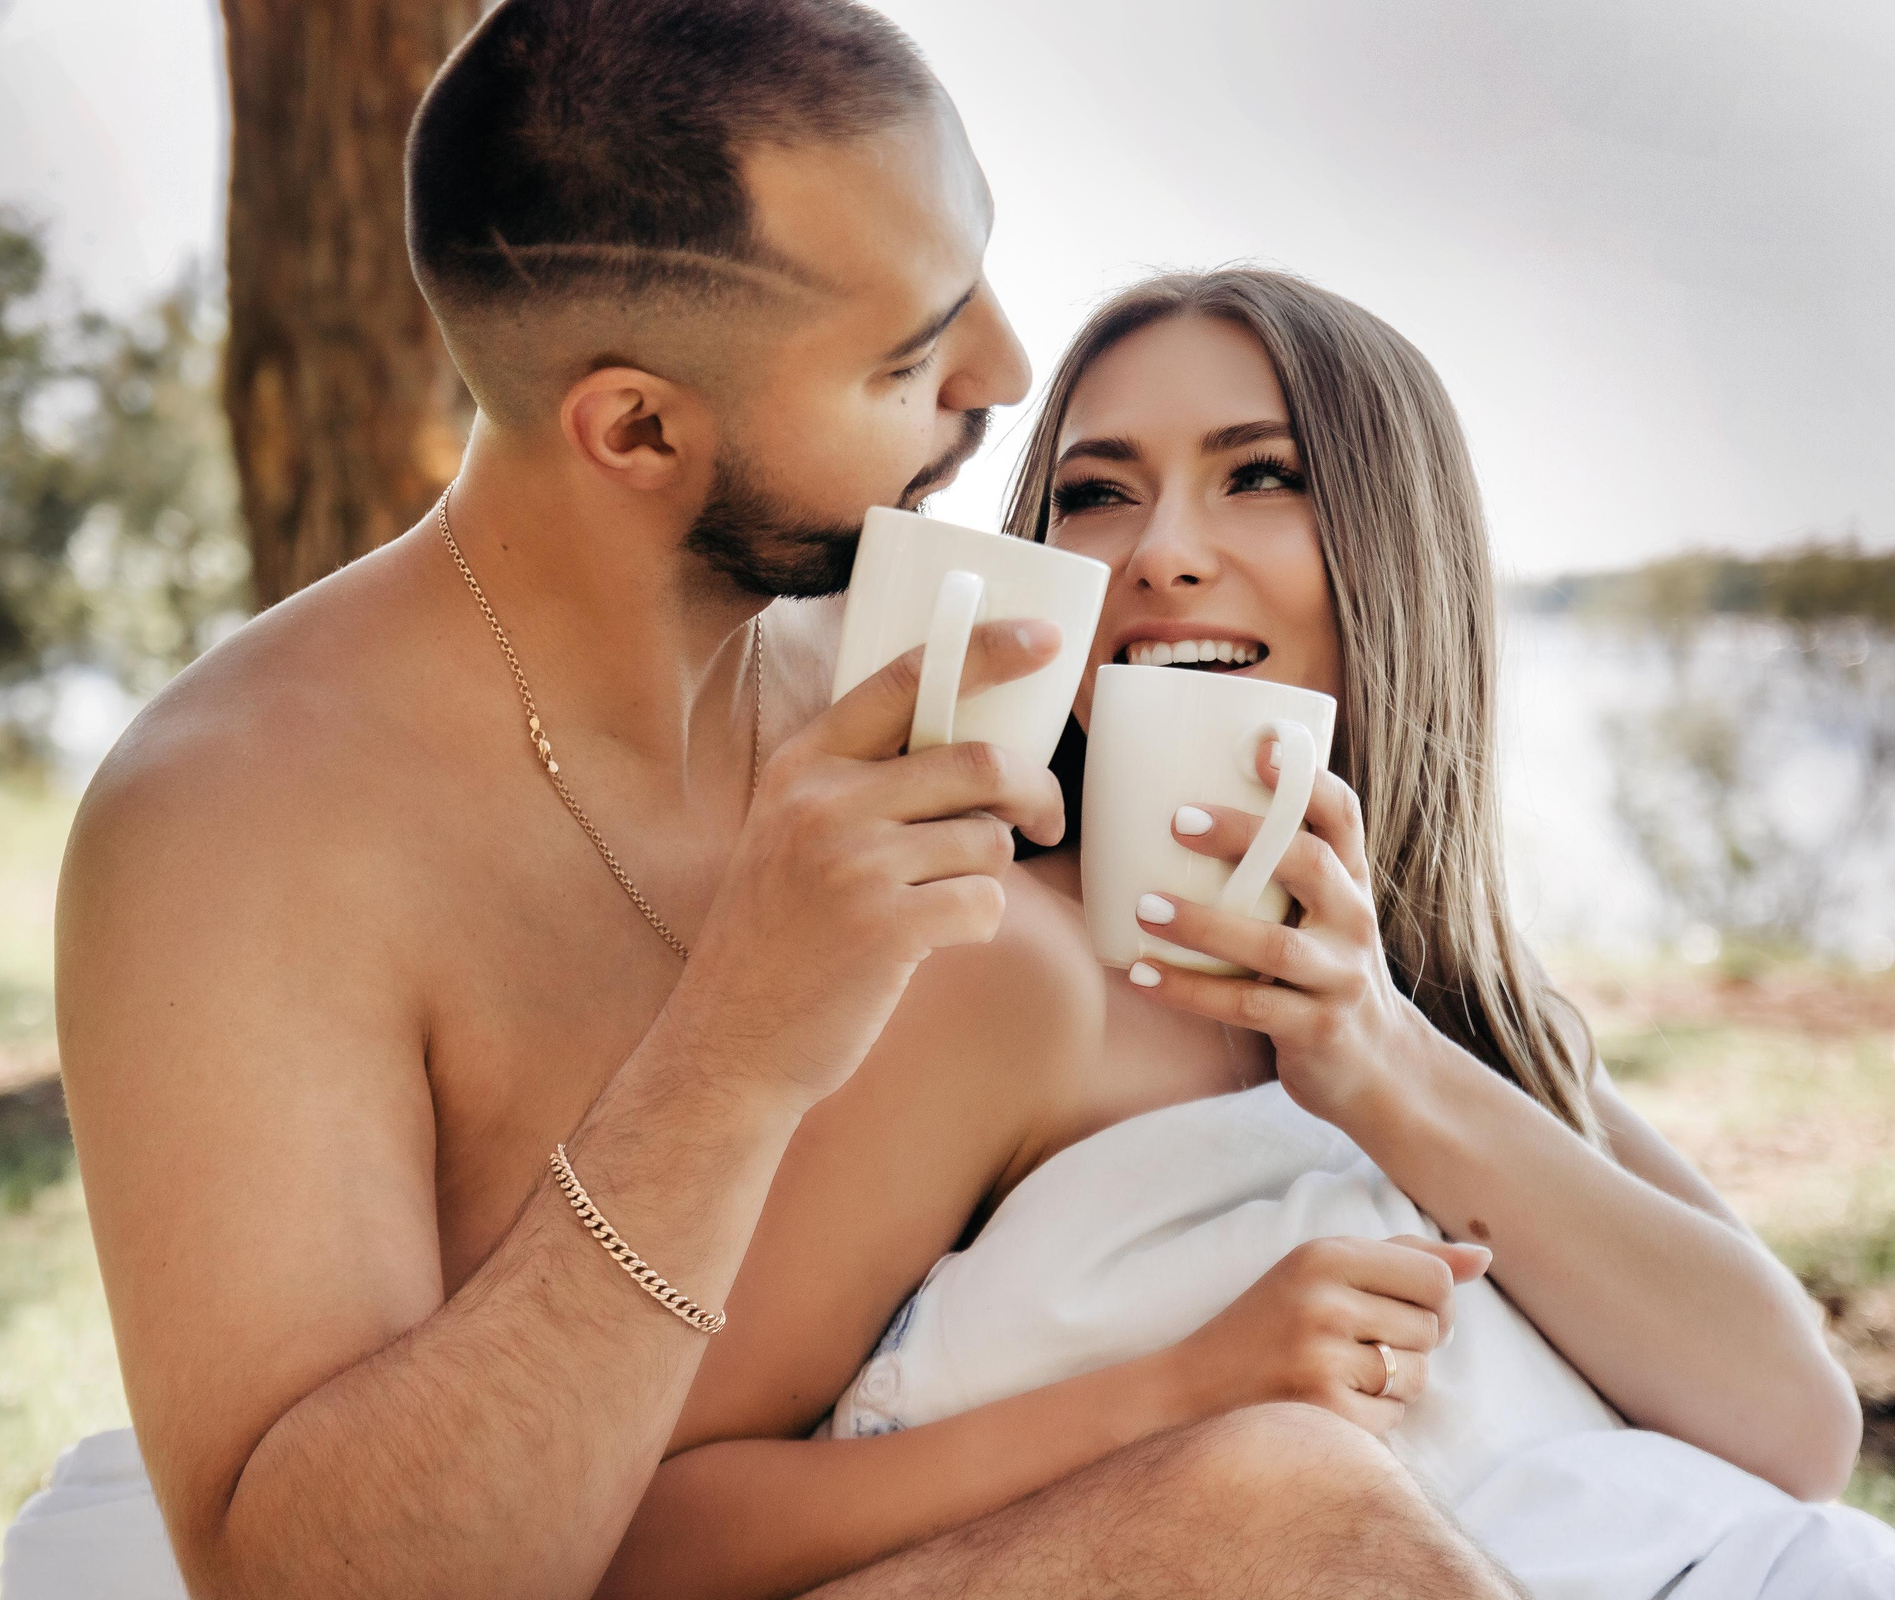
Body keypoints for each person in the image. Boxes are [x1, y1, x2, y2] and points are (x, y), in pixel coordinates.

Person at [33, 2, 1531, 1597]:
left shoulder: (915, 668)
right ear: (638, 428)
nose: (1009, 372)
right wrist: (735, 1052)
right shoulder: (238, 826)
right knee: (1281, 1511)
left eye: (978, 279)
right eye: (912, 354)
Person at [765, 269, 1886, 1600]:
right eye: (1097, 491)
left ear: (1393, 545)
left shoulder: (1456, 998)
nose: (1161, 549)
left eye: (1257, 477)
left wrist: (1384, 1062)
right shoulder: (1006, 968)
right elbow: (649, 1535)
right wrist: (1182, 1391)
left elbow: (1797, 1434)